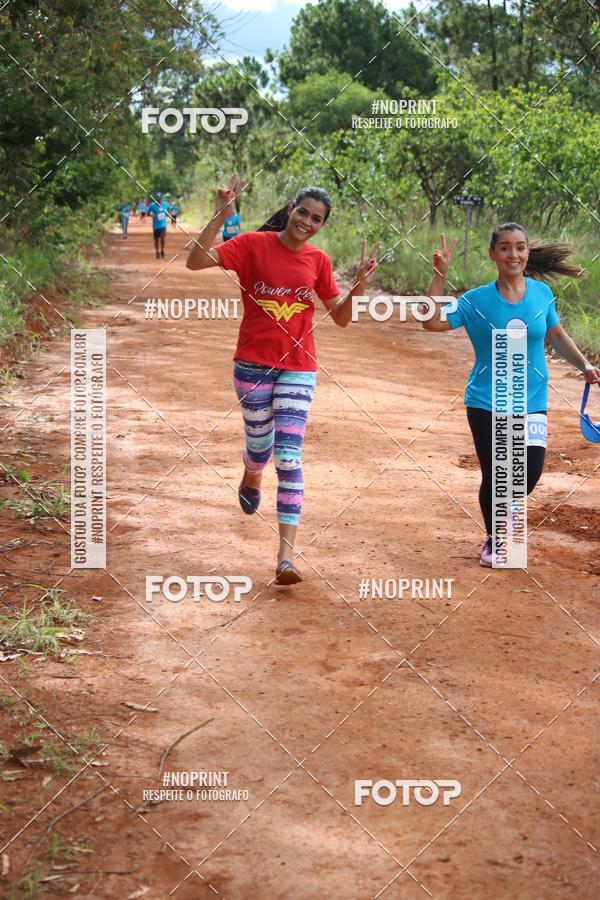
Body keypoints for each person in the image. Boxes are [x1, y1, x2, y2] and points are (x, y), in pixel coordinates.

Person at [186, 173, 379, 585]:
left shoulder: (319, 262)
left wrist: (359, 286)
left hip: (299, 368)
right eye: (302, 212)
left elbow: (341, 319)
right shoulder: (253, 245)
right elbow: (195, 259)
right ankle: (251, 471)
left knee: (288, 458)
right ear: (290, 210)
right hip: (252, 365)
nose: (307, 222)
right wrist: (220, 216)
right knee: (260, 448)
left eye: (317, 219)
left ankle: (285, 558)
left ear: (322, 225)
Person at [421, 225, 600, 567]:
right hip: (486, 402)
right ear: (493, 254)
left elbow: (556, 334)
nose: (513, 255)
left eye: (520, 248)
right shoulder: (476, 300)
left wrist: (585, 364)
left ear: (528, 253)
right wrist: (438, 277)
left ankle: (503, 531)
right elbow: (431, 322)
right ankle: (496, 541)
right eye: (505, 248)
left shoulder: (542, 294)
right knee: (498, 474)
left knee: (526, 475)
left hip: (531, 403)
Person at [148, 192, 170, 258]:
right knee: (156, 239)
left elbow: (169, 209)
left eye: (159, 199)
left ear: (161, 199)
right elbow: (148, 212)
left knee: (163, 238)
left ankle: (162, 250)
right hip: (155, 225)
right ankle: (157, 252)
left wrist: (167, 213)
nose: (158, 200)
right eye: (157, 199)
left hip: (163, 225)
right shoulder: (152, 205)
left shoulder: (165, 204)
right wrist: (151, 215)